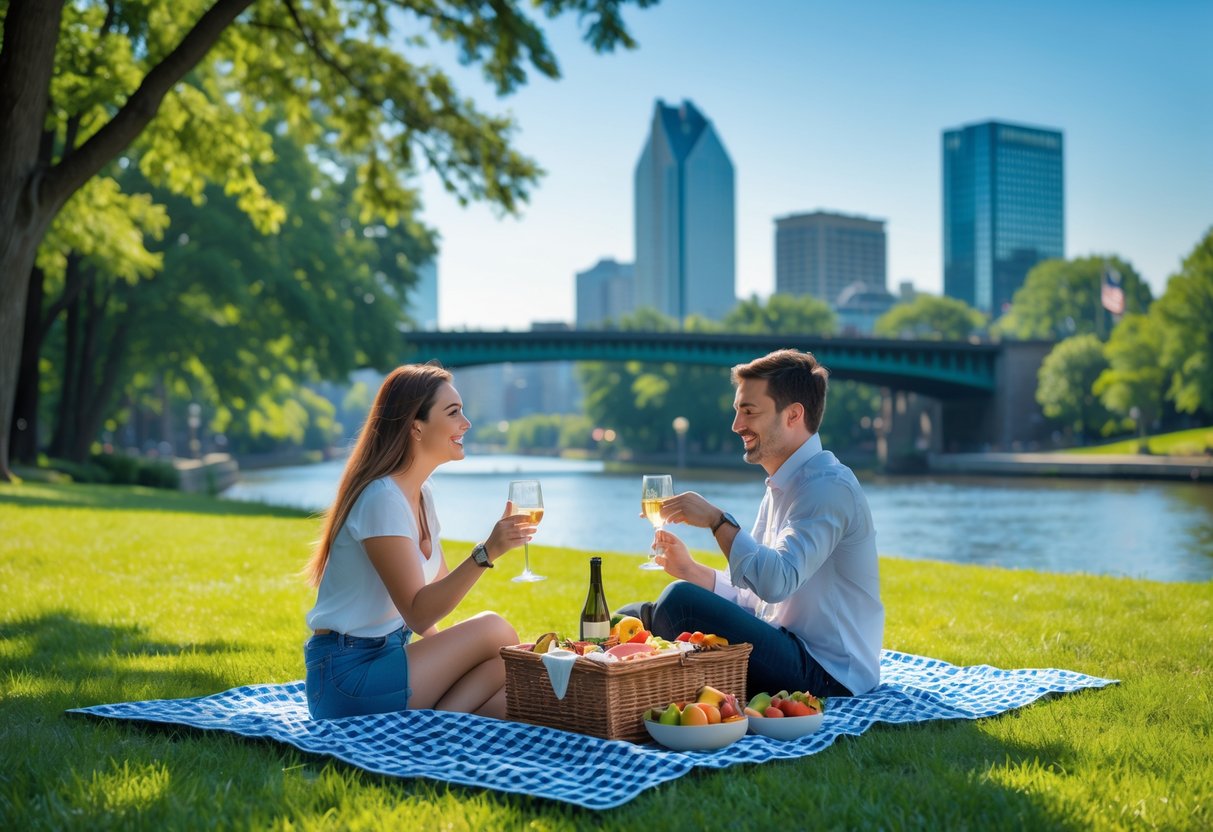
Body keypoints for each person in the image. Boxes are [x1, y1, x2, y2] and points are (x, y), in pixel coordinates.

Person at [619, 349, 883, 698]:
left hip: (829, 674)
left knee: (679, 603)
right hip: (785, 645)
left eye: (749, 411)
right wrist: (692, 569)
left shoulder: (827, 487)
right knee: (629, 617)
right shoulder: (781, 484)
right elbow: (754, 595)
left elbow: (776, 582)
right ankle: (598, 688)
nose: (736, 425)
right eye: (737, 410)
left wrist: (717, 521)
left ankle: (639, 691)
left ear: (793, 415)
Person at [302, 362, 533, 720]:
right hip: (347, 676)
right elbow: (417, 610)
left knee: (512, 674)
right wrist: (487, 553)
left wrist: (450, 659)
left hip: (389, 662)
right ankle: (437, 722)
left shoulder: (421, 497)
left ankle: (439, 721)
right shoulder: (381, 498)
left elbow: (433, 606)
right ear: (416, 427)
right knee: (495, 629)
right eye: (454, 412)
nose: (466, 423)